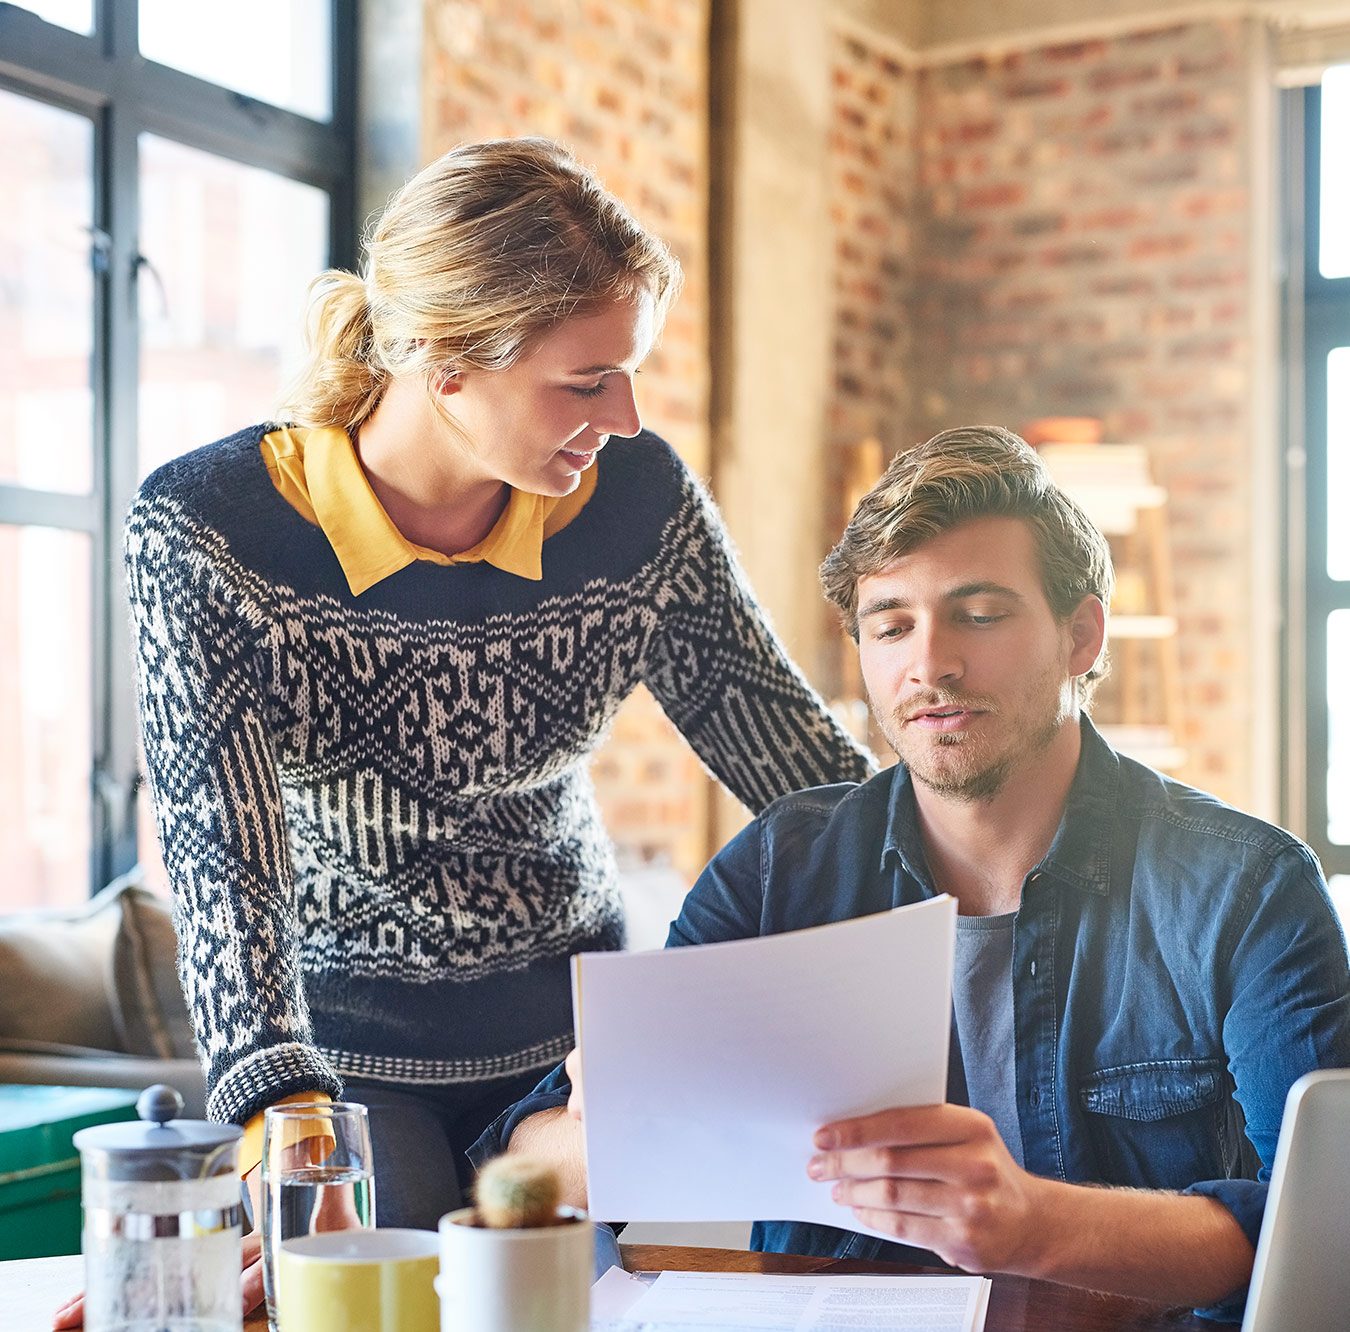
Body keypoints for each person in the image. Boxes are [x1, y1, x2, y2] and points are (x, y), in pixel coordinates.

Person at [116, 140, 874, 1224]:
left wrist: (973, 910)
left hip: (580, 1053)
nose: (626, 419)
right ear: (446, 359)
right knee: (385, 1295)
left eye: (628, 371)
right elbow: (221, 859)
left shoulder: (636, 502)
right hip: (347, 1071)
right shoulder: (208, 530)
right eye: (586, 380)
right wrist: (284, 1125)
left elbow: (807, 781)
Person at [477, 425, 1350, 1323]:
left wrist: (1027, 1223)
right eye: (891, 625)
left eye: (980, 614)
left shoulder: (1247, 889)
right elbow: (526, 1168)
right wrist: (617, 1116)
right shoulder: (783, 872)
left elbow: (1323, 1223)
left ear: (1081, 634)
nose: (930, 663)